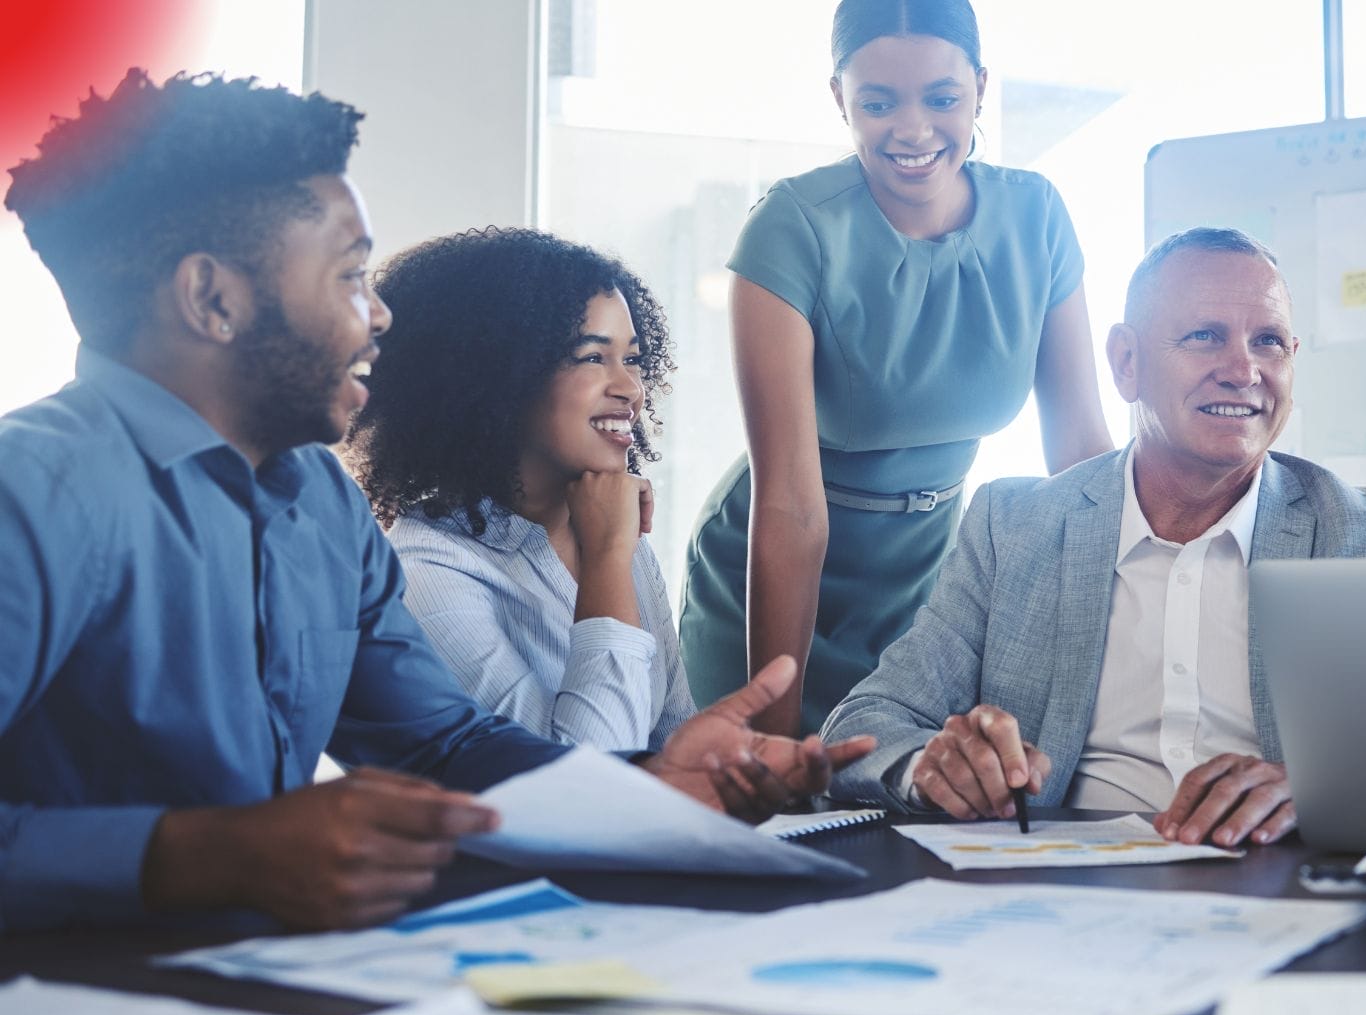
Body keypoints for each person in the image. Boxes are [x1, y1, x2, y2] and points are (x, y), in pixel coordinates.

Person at [0, 71, 869, 935]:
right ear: (213, 299)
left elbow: (444, 748)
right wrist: (208, 853)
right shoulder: (32, 495)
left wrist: (651, 783)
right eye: (349, 277)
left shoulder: (320, 508)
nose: (378, 316)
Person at [822, 228, 1366, 847]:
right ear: (1126, 363)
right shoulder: (1013, 525)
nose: (1244, 371)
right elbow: (864, 727)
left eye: (1268, 342)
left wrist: (1319, 785)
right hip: (1056, 890)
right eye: (1205, 337)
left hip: (1281, 880)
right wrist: (931, 766)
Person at [679, 0, 1115, 738]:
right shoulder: (792, 226)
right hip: (776, 574)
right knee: (771, 814)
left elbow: (1080, 457)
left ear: (980, 86)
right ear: (839, 99)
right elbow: (789, 503)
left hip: (932, 580)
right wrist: (774, 743)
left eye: (942, 99)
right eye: (878, 103)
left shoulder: (1035, 215)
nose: (912, 130)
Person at [348, 227, 693, 753]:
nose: (630, 388)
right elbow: (586, 785)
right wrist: (606, 560)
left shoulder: (616, 532)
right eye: (592, 357)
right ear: (501, 376)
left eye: (634, 358)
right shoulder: (427, 576)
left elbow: (672, 737)